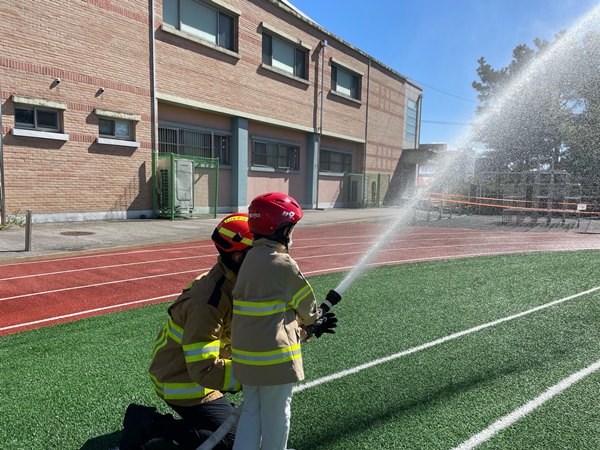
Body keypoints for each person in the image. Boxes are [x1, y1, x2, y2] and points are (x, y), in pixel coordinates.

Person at [119, 213, 254, 450]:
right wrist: (256, 374)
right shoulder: (208, 303)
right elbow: (205, 369)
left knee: (247, 427)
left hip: (195, 373)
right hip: (182, 381)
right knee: (234, 442)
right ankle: (150, 423)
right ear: (239, 257)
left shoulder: (234, 282)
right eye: (259, 253)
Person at [231, 192, 338, 450]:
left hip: (246, 358)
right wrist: (317, 319)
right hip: (275, 359)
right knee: (278, 413)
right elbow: (308, 309)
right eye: (291, 228)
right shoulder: (283, 263)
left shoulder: (249, 260)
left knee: (251, 413)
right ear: (281, 229)